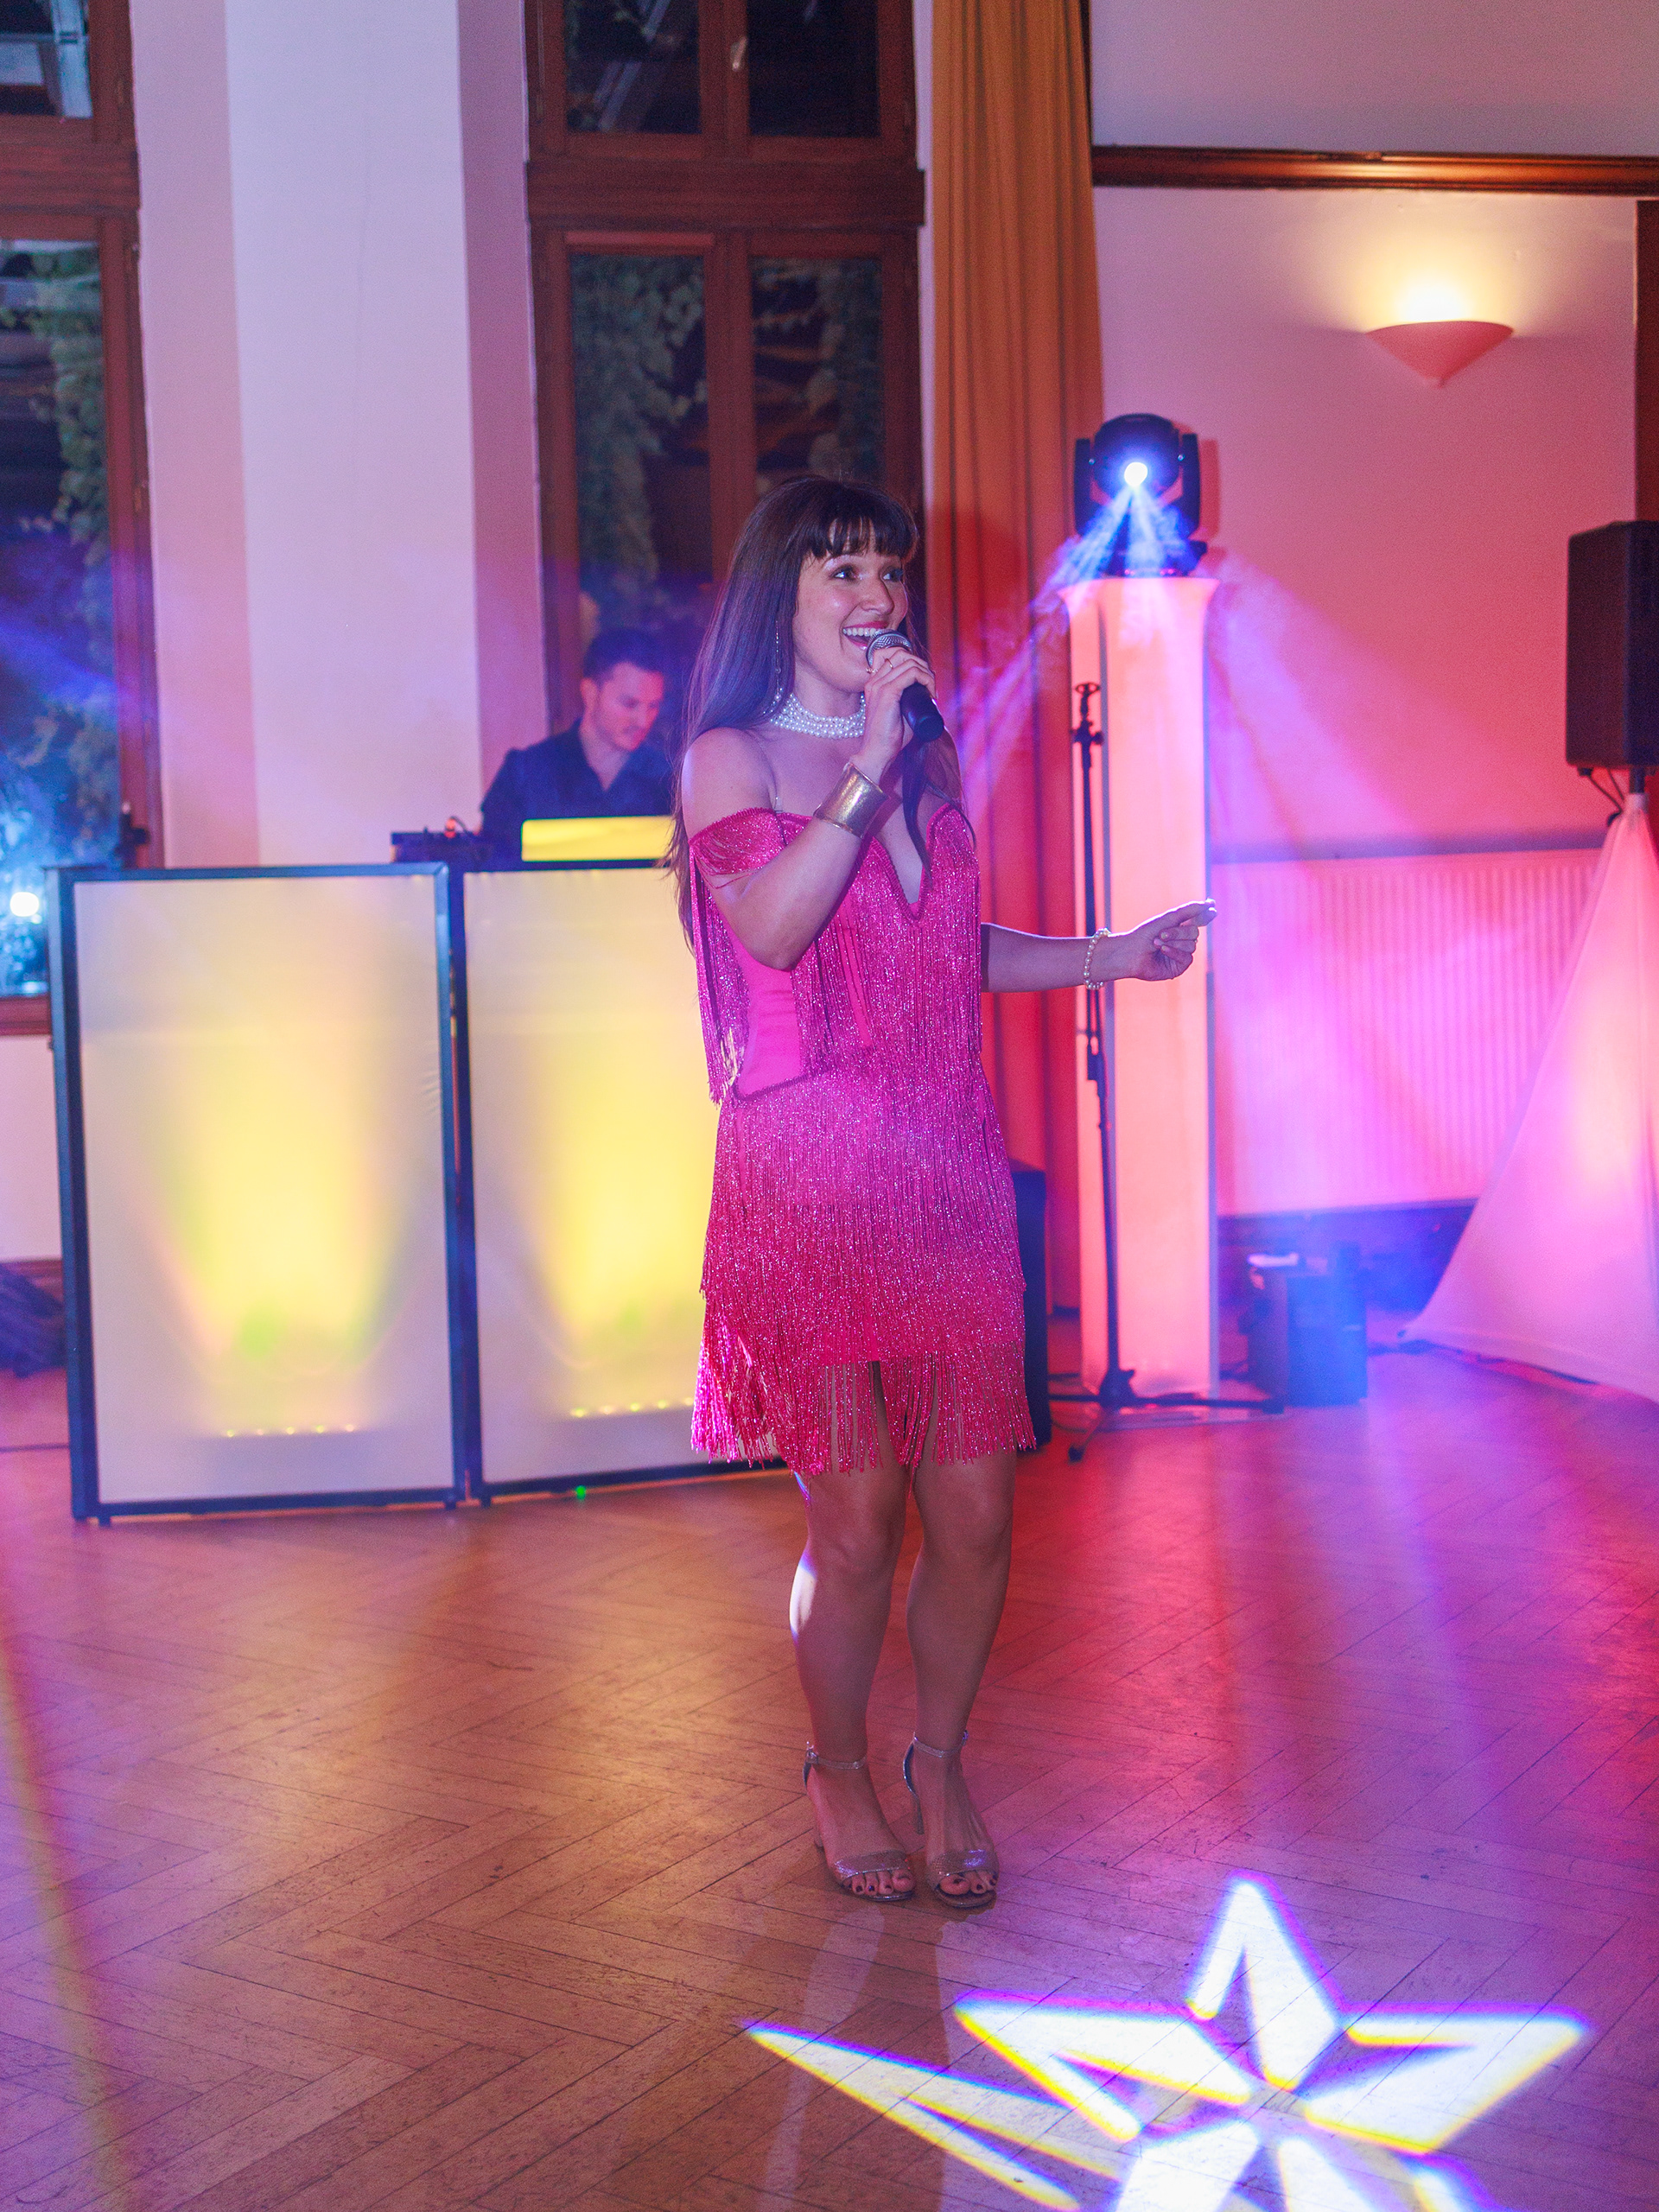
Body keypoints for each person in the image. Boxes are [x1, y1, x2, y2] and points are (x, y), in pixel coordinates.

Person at [671, 475, 1212, 1909]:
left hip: (946, 1177)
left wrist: (1111, 954)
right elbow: (779, 928)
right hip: (806, 1183)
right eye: (843, 572)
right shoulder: (730, 759)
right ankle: (837, 1768)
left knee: (975, 1514)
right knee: (855, 1526)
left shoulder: (919, 756)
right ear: (781, 597)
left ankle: (940, 1761)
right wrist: (863, 762)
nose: (878, 598)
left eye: (889, 573)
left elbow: (939, 950)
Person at [480, 627, 673, 862]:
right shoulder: (525, 774)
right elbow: (493, 871)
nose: (643, 720)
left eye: (653, 706)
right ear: (590, 693)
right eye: (629, 704)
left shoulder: (669, 782)